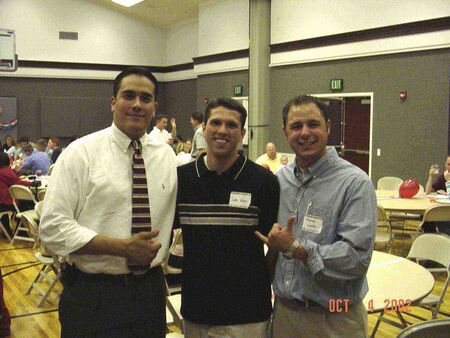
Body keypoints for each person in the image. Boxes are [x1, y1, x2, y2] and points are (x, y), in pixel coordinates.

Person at [39, 67, 177, 337]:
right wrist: (122, 248)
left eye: (145, 98)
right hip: (93, 294)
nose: (137, 104)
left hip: (149, 293)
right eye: (129, 96)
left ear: (154, 106)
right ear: (113, 102)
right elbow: (53, 227)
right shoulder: (81, 153)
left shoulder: (167, 157)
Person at [256, 95, 376, 338]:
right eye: (296, 126)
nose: (305, 133)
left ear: (329, 127)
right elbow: (275, 248)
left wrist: (297, 248)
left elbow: (356, 259)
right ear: (285, 131)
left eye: (313, 124)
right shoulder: (279, 181)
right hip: (284, 315)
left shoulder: (354, 183)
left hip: (335, 319)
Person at [176, 97, 280, 337]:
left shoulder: (263, 181)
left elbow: (273, 245)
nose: (223, 130)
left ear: (242, 133)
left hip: (248, 314)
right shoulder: (182, 179)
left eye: (232, 125)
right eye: (216, 123)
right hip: (196, 311)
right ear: (204, 128)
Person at [0, 152, 32, 238]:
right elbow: (18, 183)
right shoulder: (5, 171)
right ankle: (22, 231)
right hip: (5, 203)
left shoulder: (3, 171)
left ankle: (6, 231)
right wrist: (32, 183)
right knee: (27, 203)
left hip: (2, 202)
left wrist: (14, 171)